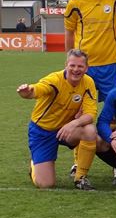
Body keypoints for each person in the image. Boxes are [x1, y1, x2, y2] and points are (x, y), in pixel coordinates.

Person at [17, 49, 98, 190]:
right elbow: (38, 89)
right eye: (72, 65)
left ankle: (80, 178)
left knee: (90, 130)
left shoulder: (88, 82)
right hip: (43, 131)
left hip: (66, 130)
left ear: (86, 68)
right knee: (46, 185)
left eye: (80, 66)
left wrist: (73, 123)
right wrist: (28, 92)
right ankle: (34, 164)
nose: (76, 70)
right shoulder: (55, 80)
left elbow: (91, 114)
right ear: (66, 65)